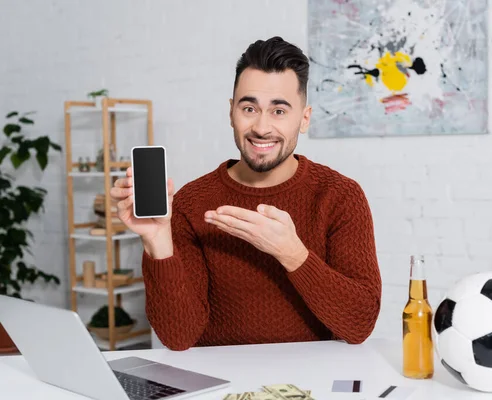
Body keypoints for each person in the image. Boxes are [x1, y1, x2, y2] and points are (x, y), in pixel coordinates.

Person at [110, 36, 382, 351]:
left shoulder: (340, 196)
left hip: (312, 384)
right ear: (231, 113)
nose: (261, 127)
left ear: (303, 118)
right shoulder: (191, 203)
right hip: (221, 385)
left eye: (279, 111)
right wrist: (157, 242)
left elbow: (359, 325)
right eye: (249, 108)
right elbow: (178, 337)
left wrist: (292, 253)